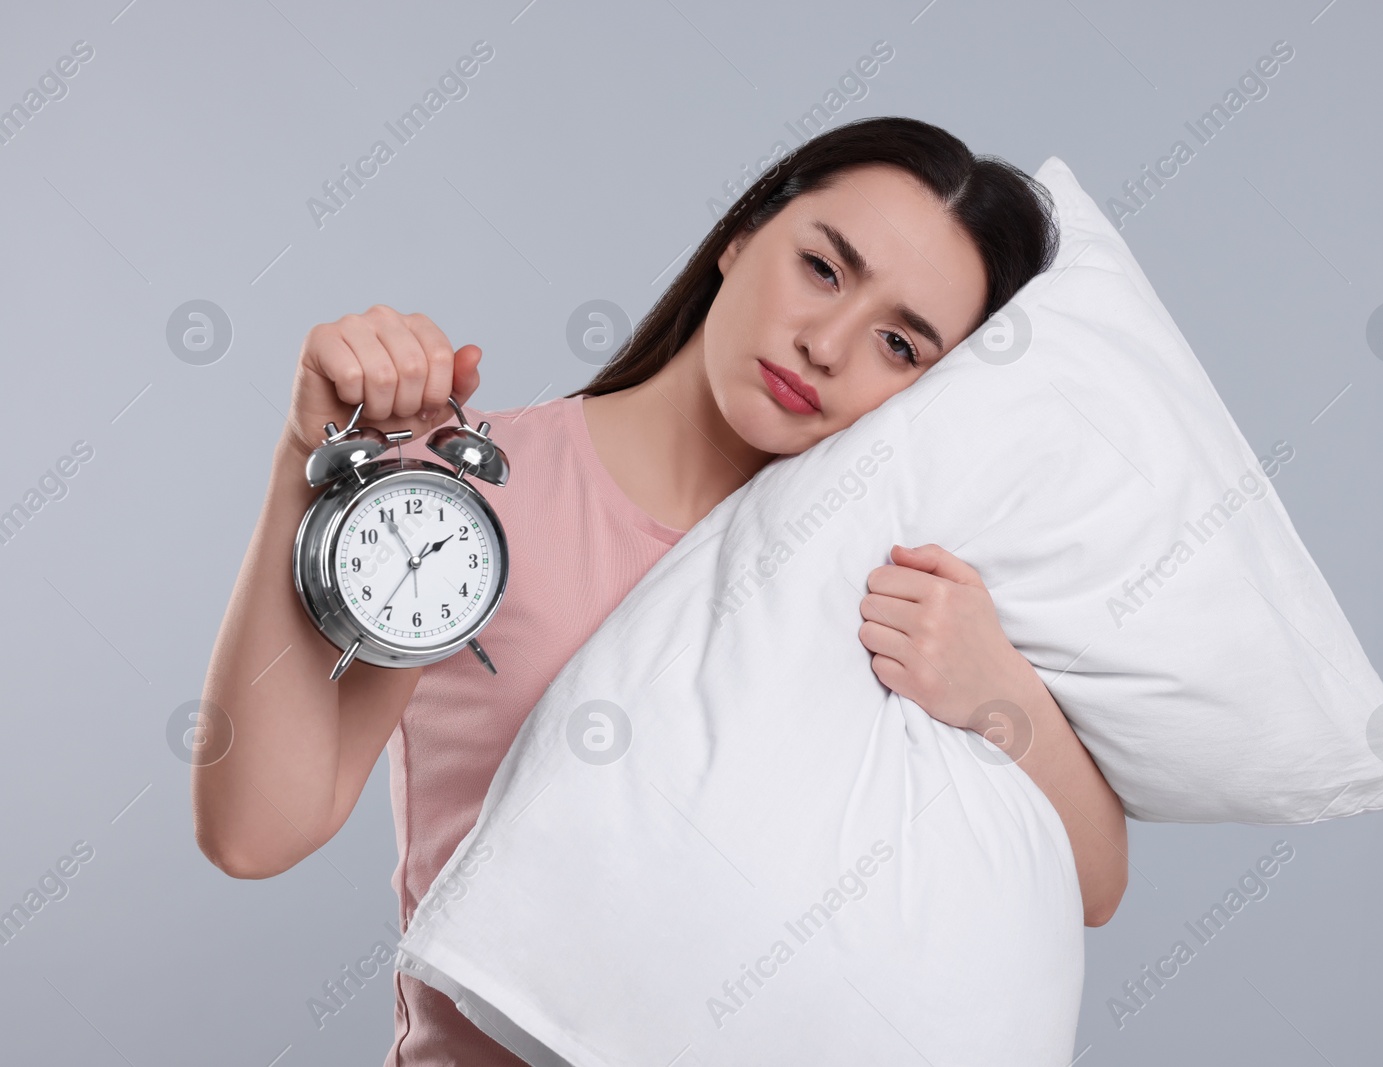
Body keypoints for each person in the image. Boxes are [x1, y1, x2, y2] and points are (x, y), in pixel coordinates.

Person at [194, 115, 1129, 1065]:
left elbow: (1090, 885)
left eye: (900, 343)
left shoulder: (887, 577)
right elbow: (256, 831)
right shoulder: (471, 495)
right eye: (824, 268)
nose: (828, 343)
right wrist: (306, 460)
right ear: (742, 234)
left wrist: (996, 686)